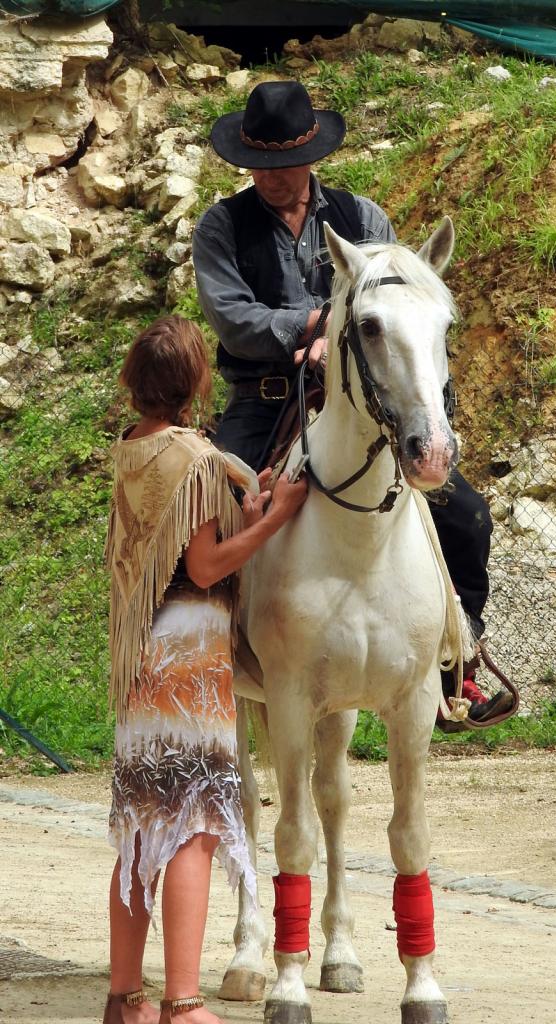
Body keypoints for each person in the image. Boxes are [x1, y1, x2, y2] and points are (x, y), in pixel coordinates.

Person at [191, 80, 513, 729]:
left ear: (311, 157)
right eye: (263, 167)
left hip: (364, 402)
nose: (275, 178)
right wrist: (310, 329)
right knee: (212, 505)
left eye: (286, 165)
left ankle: (457, 660)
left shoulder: (364, 219)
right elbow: (230, 318)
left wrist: (342, 347)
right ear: (247, 165)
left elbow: (393, 310)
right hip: (266, 395)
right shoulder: (222, 226)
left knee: (467, 516)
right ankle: (198, 659)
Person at [103, 315, 307, 1024]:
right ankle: (183, 1005)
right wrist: (274, 518)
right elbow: (204, 565)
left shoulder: (132, 448)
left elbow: (182, 540)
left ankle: (126, 996)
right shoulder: (194, 459)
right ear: (193, 380)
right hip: (187, 662)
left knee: (140, 826)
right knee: (191, 827)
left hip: (140, 657)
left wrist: (240, 512)